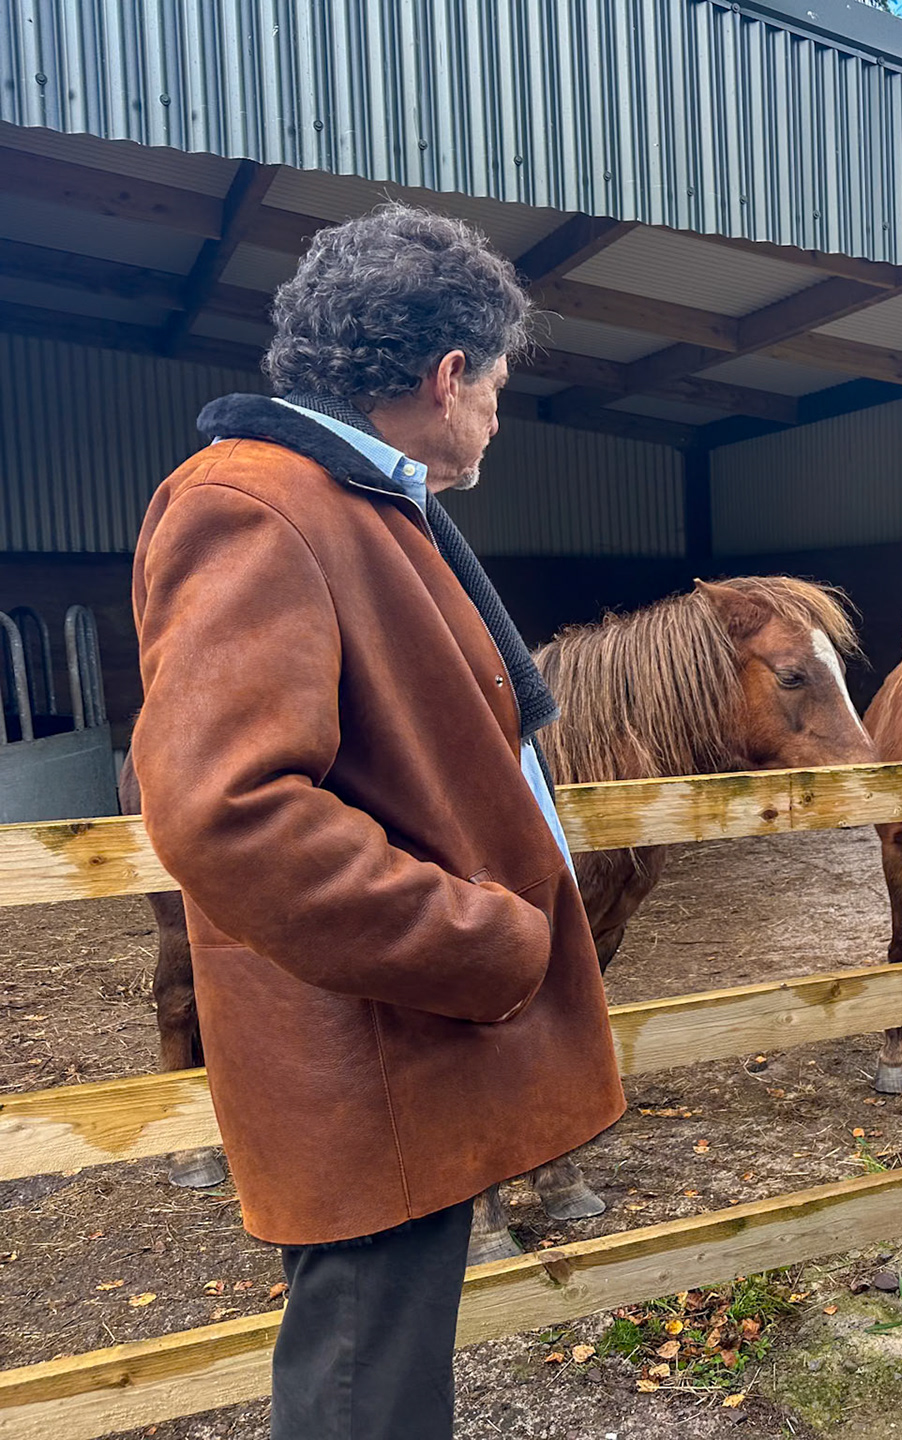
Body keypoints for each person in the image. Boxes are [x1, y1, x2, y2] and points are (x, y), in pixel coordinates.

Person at [130, 203, 626, 1439]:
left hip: (394, 1052)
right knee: (366, 1394)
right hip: (364, 1061)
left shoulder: (348, 497)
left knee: (386, 1381)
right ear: (448, 374)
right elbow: (228, 811)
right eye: (498, 385)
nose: (499, 414)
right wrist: (483, 941)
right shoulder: (257, 506)